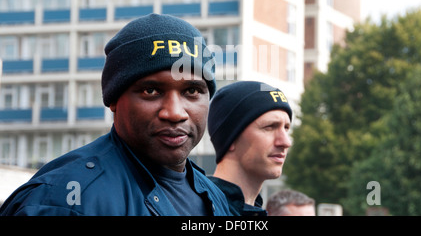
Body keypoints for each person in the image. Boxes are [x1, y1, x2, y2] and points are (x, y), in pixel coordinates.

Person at [0, 13, 231, 216]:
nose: (174, 113)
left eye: (192, 91)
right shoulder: (63, 200)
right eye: (151, 91)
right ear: (113, 100)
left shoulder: (213, 195)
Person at [207, 81, 292, 216]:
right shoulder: (196, 209)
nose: (286, 142)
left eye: (286, 128)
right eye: (269, 127)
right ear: (231, 136)